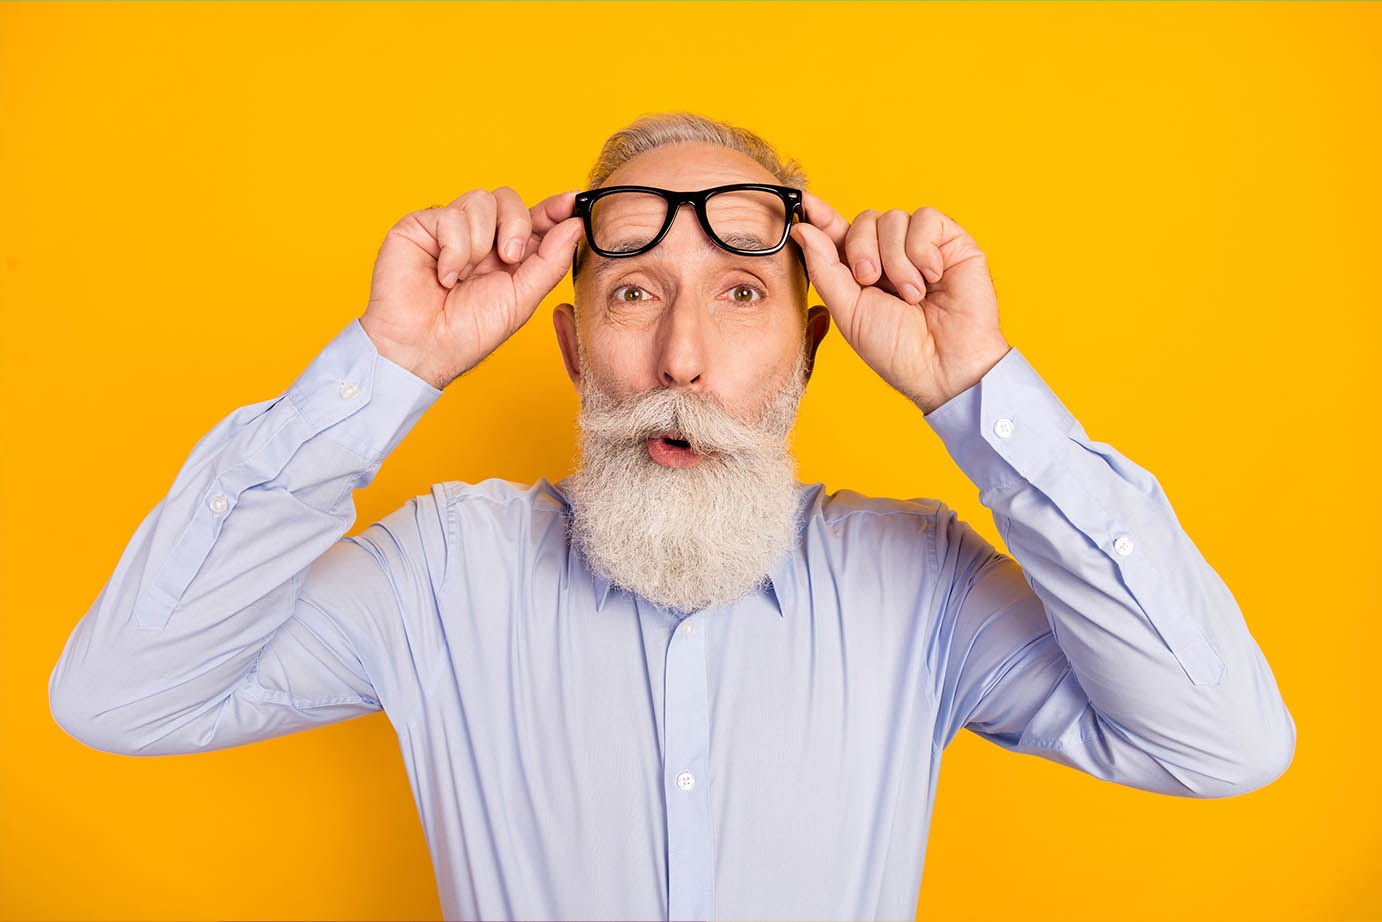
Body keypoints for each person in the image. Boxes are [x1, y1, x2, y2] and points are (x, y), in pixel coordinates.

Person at [48, 111, 1295, 922]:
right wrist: (389, 365)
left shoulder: (914, 583)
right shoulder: (444, 572)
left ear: (810, 348)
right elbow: (120, 696)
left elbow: (1222, 742)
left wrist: (975, 390)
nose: (680, 359)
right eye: (634, 292)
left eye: (741, 292)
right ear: (570, 347)